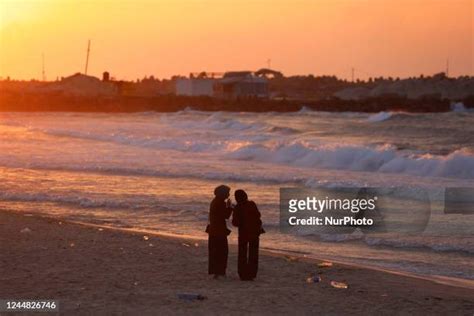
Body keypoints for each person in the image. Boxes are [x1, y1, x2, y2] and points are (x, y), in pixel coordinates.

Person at [232, 189, 264, 281]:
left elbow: (235, 223)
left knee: (242, 253)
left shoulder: (238, 207)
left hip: (243, 233)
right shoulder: (252, 204)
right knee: (253, 254)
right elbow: (258, 215)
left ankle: (243, 274)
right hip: (254, 232)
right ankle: (252, 274)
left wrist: (234, 211)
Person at [206, 185, 233, 279]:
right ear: (222, 193)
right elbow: (225, 216)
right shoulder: (220, 202)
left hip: (214, 229)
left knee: (215, 251)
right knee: (222, 251)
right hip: (218, 231)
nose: (228, 194)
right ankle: (220, 272)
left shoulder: (215, 201)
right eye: (227, 193)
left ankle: (217, 272)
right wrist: (229, 207)